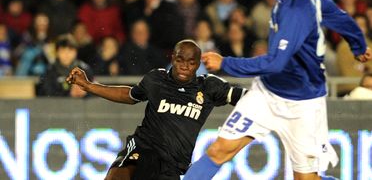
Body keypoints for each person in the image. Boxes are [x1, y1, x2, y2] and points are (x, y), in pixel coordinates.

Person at [183, 0, 372, 180]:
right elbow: (338, 15)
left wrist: (225, 63)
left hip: (303, 103)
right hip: (267, 93)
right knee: (219, 150)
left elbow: (274, 63)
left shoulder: (294, 8)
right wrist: (358, 44)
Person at [66, 39, 247, 180]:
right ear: (172, 58)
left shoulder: (209, 86)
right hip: (143, 148)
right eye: (180, 60)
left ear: (198, 64)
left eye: (191, 62)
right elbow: (129, 95)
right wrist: (89, 86)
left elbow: (247, 98)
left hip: (173, 164)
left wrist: (272, 100)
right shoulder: (156, 79)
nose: (185, 66)